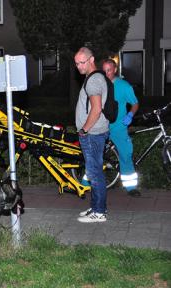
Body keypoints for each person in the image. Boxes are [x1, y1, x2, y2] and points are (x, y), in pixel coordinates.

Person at [74, 47, 109, 223]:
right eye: (77, 63)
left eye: (82, 62)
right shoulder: (94, 77)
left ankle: (100, 212)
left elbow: (96, 108)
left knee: (94, 173)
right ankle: (96, 207)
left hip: (93, 133)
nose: (79, 66)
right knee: (93, 171)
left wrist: (84, 130)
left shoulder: (93, 81)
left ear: (91, 59)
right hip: (96, 132)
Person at [102, 59, 141, 197]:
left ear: (115, 70)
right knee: (94, 155)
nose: (106, 73)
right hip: (101, 127)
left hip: (119, 128)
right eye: (104, 70)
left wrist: (130, 114)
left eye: (109, 70)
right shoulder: (100, 85)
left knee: (126, 155)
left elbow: (135, 103)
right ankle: (87, 183)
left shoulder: (124, 86)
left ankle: (131, 187)